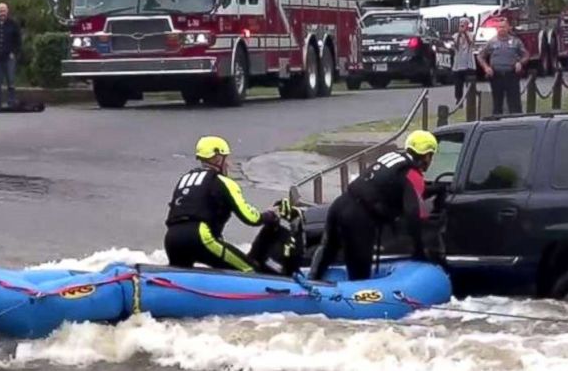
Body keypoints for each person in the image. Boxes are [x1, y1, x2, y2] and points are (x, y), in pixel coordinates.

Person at [309, 130, 440, 281]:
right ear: (426, 155)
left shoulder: (392, 158)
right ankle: (358, 301)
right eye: (431, 156)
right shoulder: (411, 174)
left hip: (340, 204)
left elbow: (393, 185)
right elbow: (412, 213)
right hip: (359, 219)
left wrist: (435, 189)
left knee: (328, 249)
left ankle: (311, 280)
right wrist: (419, 250)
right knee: (360, 272)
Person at [164, 136, 280, 272]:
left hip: (172, 239)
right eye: (226, 158)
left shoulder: (185, 179)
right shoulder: (223, 182)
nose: (228, 163)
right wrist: (271, 215)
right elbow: (250, 218)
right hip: (199, 237)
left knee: (181, 277)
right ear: (218, 159)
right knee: (250, 270)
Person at [477, 18, 530, 115]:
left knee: (514, 103)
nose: (502, 29)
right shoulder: (492, 42)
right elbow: (480, 56)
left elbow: (526, 55)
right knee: (497, 103)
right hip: (496, 75)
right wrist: (486, 67)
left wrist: (520, 63)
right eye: (499, 27)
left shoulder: (515, 42)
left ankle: (517, 122)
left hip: (511, 75)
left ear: (508, 28)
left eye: (504, 27)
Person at [451, 17, 476, 104]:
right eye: (461, 23)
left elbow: (470, 43)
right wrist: (459, 35)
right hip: (458, 63)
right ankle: (459, 99)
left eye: (464, 23)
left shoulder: (471, 34)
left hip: (468, 63)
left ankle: (470, 99)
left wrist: (465, 33)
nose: (462, 25)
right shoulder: (455, 35)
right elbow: (456, 46)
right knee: (458, 84)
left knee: (469, 83)